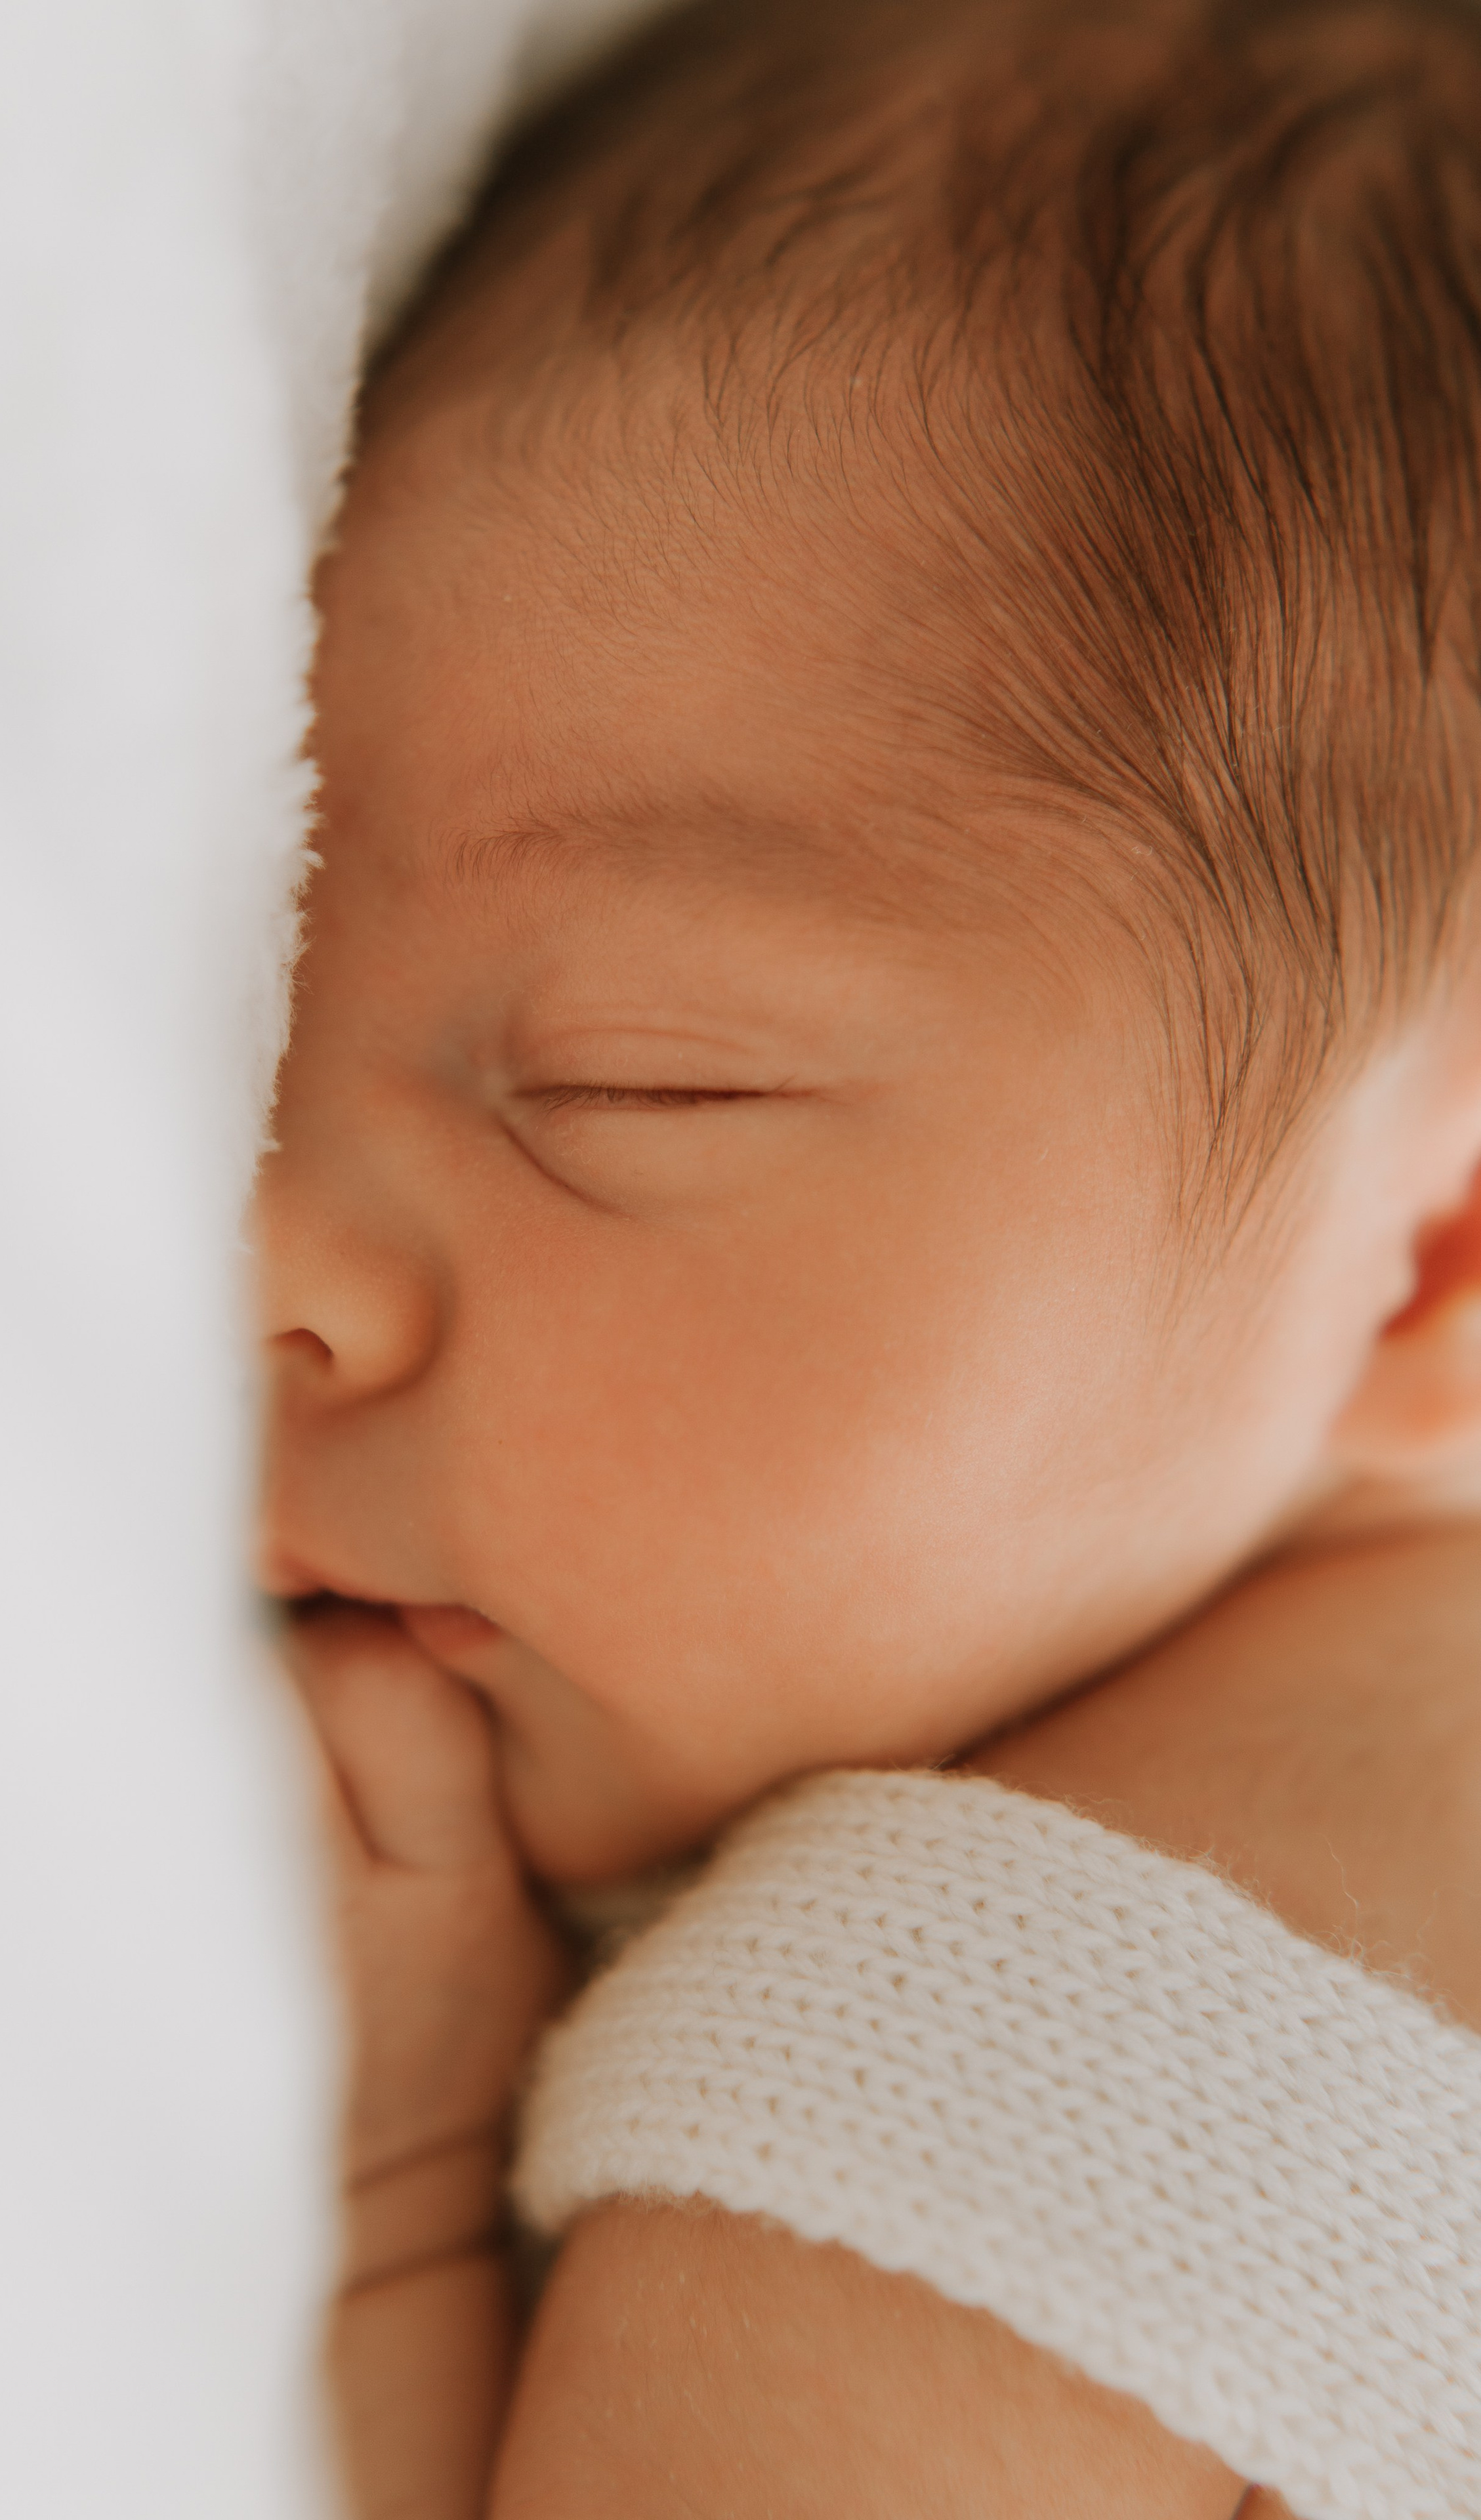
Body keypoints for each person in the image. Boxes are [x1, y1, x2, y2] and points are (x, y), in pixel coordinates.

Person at [251, 0, 1481, 2508]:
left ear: (1440, 1263)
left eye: (629, 1089)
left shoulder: (1008, 2047)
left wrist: (380, 2212)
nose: (268, 1263)